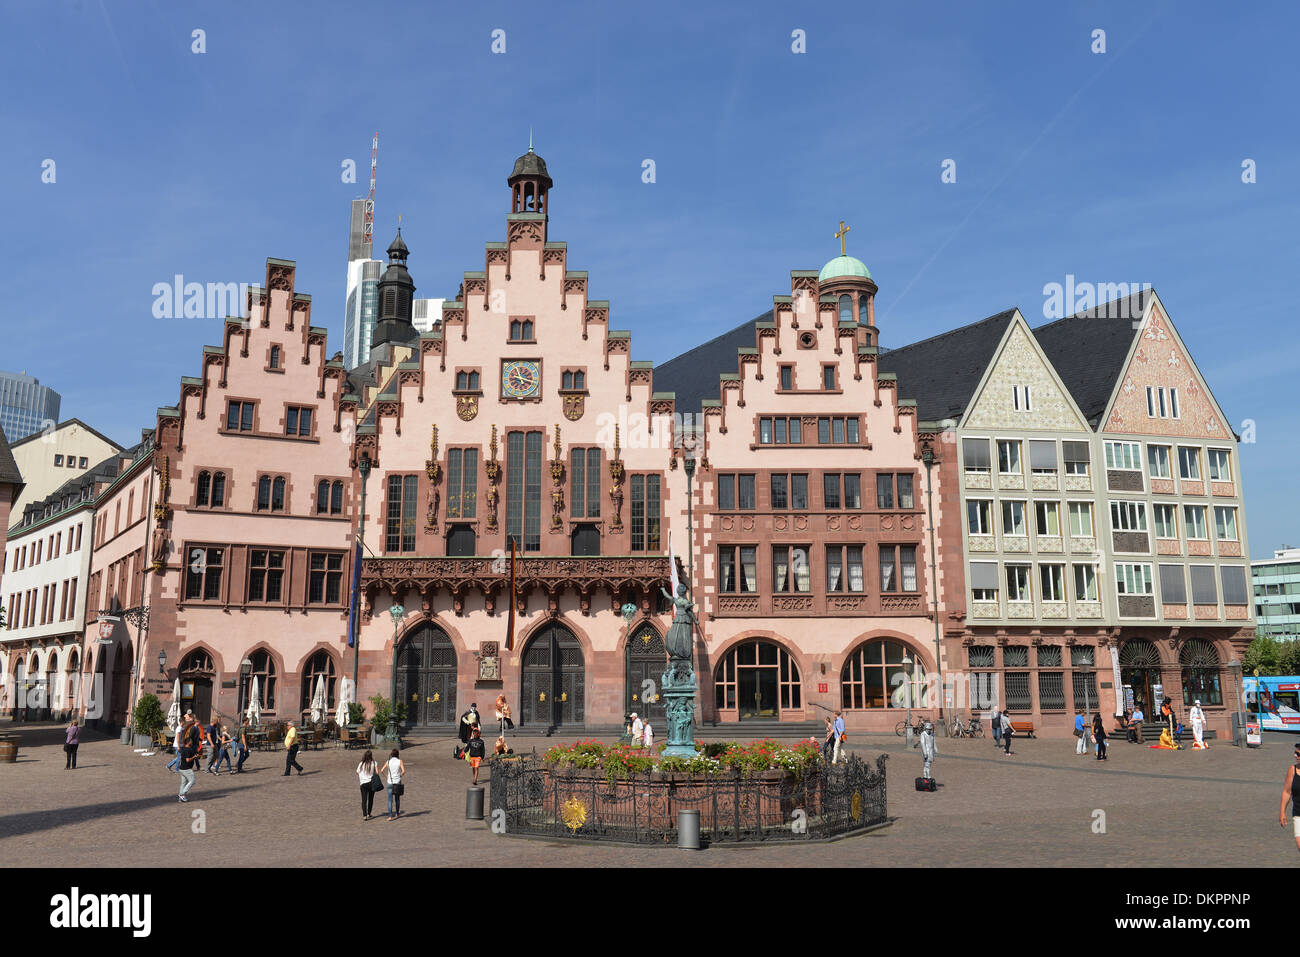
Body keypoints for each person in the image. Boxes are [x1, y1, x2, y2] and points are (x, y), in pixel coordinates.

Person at [1279, 741, 1300, 854]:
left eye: (1298, 754)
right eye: (1295, 753)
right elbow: (1287, 792)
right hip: (1298, 814)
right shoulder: (1292, 770)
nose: (1295, 756)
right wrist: (1282, 812)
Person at [177, 715, 201, 803]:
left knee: (183, 783)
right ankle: (182, 794)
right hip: (186, 768)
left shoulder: (184, 749)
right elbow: (187, 760)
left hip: (181, 768)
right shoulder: (188, 750)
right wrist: (194, 757)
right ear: (188, 743)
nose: (191, 741)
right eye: (190, 740)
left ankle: (180, 797)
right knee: (192, 781)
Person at [356, 749, 379, 821]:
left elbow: (357, 772)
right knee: (371, 799)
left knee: (364, 800)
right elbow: (377, 773)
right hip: (371, 783)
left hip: (363, 783)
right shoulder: (374, 763)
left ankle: (364, 815)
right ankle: (369, 813)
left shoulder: (361, 763)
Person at [385, 748, 405, 821]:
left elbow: (381, 770)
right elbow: (403, 771)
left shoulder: (388, 761)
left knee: (390, 800)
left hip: (389, 782)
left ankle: (390, 816)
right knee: (397, 799)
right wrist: (399, 776)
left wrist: (387, 777)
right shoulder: (400, 761)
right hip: (397, 782)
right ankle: (397, 814)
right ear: (397, 754)